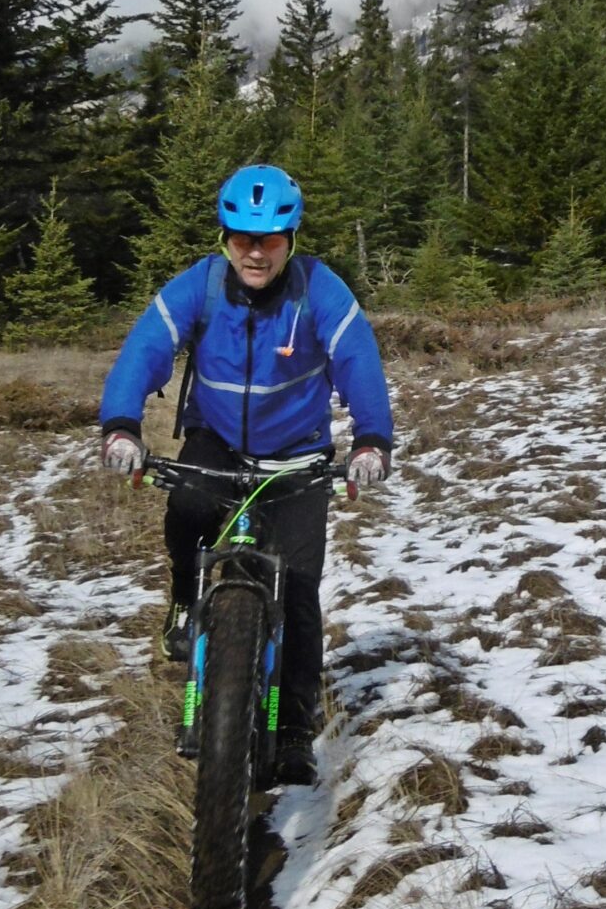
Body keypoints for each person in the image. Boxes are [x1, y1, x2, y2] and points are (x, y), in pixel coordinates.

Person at [96, 163, 394, 784]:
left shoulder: (319, 290)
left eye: (270, 241)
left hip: (297, 455)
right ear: (225, 237)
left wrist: (370, 439)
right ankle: (184, 596)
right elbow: (146, 346)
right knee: (189, 513)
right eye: (242, 239)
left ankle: (291, 728)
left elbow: (358, 359)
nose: (255, 254)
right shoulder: (200, 287)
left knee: (302, 585)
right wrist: (121, 423)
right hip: (219, 441)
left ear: (291, 239)